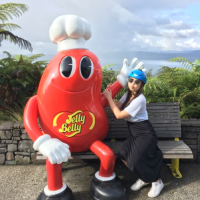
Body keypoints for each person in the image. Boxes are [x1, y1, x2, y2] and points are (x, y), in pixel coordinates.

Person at [102, 69, 164, 198]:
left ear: (141, 85)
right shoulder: (127, 95)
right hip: (135, 134)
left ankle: (157, 181)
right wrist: (111, 93)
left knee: (135, 160)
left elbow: (118, 115)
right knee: (123, 155)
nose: (133, 84)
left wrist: (108, 98)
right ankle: (144, 177)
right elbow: (117, 106)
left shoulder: (140, 99)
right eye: (131, 80)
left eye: (137, 82)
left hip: (145, 133)